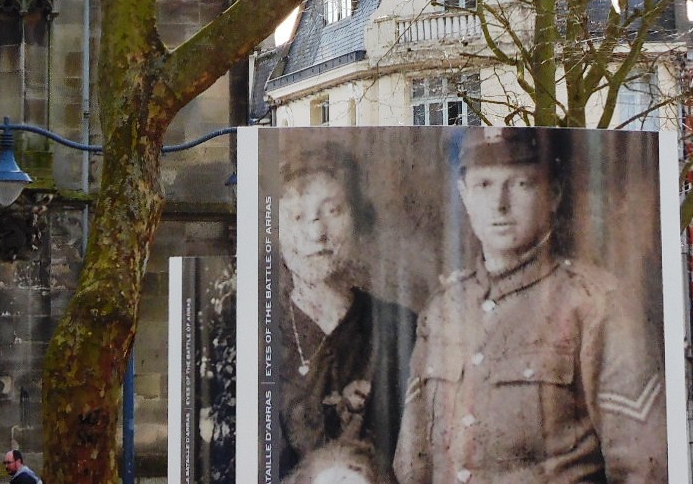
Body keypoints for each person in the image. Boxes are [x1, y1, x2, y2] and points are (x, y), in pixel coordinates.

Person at [395, 128, 664, 484]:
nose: (500, 204)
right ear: (464, 195)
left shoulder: (595, 304)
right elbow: (411, 465)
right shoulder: (442, 310)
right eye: (484, 185)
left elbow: (643, 468)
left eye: (521, 184)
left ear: (553, 194)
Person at [275, 142, 419, 484]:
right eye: (297, 216)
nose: (316, 233)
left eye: (333, 211)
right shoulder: (258, 327)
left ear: (358, 218)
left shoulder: (401, 328)